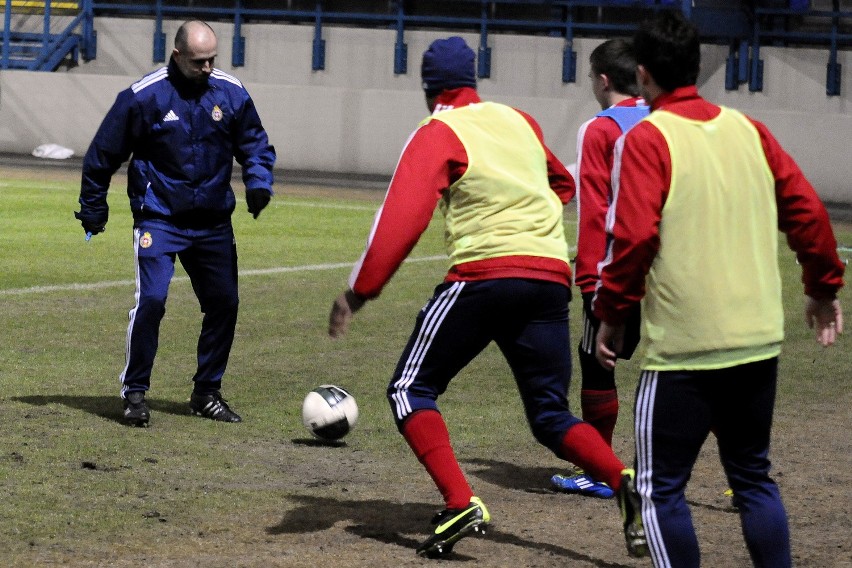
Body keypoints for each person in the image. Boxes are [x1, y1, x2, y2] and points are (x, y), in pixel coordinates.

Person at [328, 36, 638, 558]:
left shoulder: (438, 130)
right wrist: (523, 216)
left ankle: (460, 500)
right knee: (549, 414)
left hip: (483, 276)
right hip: (546, 277)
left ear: (429, 88)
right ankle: (623, 479)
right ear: (473, 78)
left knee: (409, 389)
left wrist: (360, 293)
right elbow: (561, 183)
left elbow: (399, 222)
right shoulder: (518, 120)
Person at [594, 11, 845, 566]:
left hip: (685, 348)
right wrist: (823, 288)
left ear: (643, 74)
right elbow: (808, 212)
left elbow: (632, 238)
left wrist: (612, 311)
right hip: (756, 341)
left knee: (661, 492)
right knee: (753, 479)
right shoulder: (748, 129)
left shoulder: (649, 138)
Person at [76, 20, 276, 427]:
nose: (207, 68)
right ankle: (134, 393)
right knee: (151, 301)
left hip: (213, 222)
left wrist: (258, 180)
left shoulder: (231, 92)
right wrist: (93, 207)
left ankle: (206, 392)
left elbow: (255, 143)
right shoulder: (142, 97)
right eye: (199, 61)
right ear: (178, 55)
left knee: (225, 304)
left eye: (212, 60)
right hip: (160, 218)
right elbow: (101, 155)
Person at [551, 38, 648, 499]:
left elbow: (596, 209)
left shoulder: (600, 128)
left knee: (596, 365)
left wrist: (589, 277)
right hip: (667, 271)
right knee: (692, 371)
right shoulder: (659, 118)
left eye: (591, 78)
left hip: (615, 268)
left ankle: (599, 470)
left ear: (604, 79)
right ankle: (741, 478)